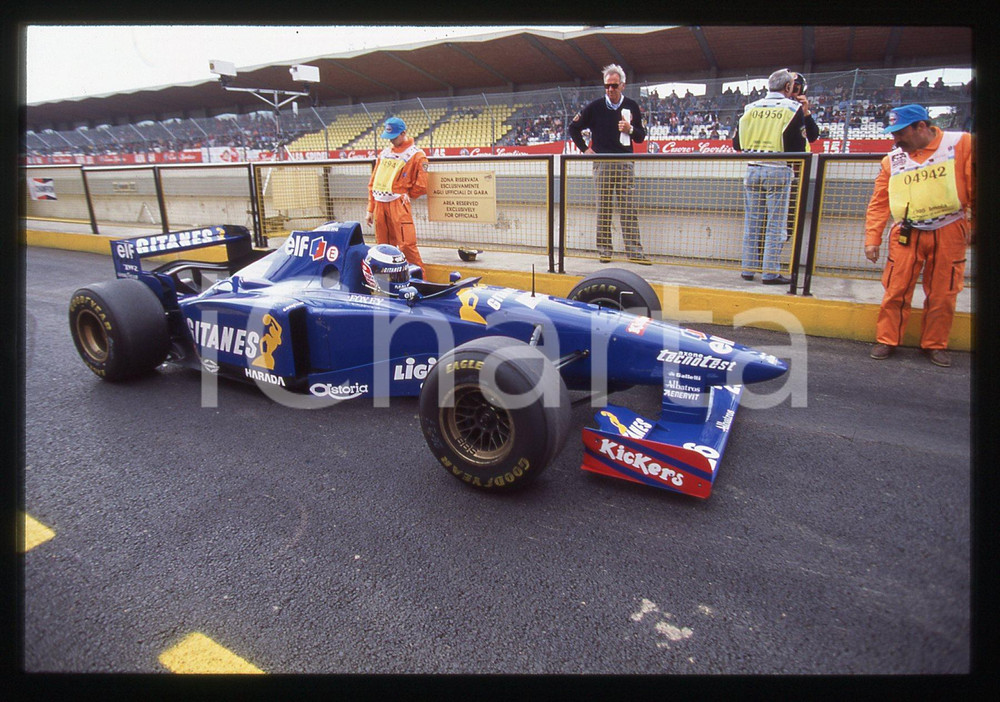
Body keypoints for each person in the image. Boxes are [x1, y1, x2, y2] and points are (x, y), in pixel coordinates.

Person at [863, 104, 974, 368]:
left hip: (950, 229)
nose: (896, 139)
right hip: (906, 232)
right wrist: (872, 238)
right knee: (896, 288)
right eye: (893, 134)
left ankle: (935, 345)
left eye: (900, 133)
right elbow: (879, 202)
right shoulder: (891, 161)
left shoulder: (961, 144)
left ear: (921, 127)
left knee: (943, 292)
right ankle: (887, 339)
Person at [731, 68, 819, 284]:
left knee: (752, 222)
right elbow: (802, 145)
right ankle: (770, 272)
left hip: (752, 168)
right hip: (778, 169)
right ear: (788, 87)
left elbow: (737, 144)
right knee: (775, 224)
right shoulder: (792, 108)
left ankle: (748, 269)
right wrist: (805, 113)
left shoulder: (750, 108)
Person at [568, 63, 650, 265]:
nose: (610, 90)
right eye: (607, 86)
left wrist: (630, 129)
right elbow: (573, 128)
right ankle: (605, 251)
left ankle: (634, 252)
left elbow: (640, 137)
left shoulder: (631, 106)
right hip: (602, 162)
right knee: (603, 208)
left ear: (622, 85)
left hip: (624, 162)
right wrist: (585, 149)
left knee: (628, 207)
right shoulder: (595, 107)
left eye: (614, 86)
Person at [364, 116, 427, 273]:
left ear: (403, 133)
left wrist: (405, 194)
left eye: (394, 137)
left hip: (398, 204)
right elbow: (373, 183)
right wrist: (370, 209)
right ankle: (386, 281)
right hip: (380, 204)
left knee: (407, 245)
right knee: (383, 246)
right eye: (389, 137)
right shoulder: (383, 154)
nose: (391, 141)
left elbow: (422, 185)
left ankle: (419, 281)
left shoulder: (417, 155)